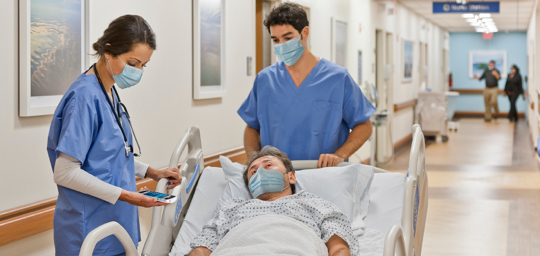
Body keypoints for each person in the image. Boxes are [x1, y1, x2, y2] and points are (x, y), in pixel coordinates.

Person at [46, 15, 182, 256]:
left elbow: (108, 154)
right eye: (133, 62)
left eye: (143, 65)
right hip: (88, 229)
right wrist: (127, 196)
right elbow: (65, 172)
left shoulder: (107, 91)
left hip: (114, 223)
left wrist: (151, 172)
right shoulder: (85, 97)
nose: (138, 71)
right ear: (109, 51)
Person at [237, 3, 375, 168]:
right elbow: (252, 128)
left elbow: (364, 125)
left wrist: (339, 155)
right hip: (278, 179)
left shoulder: (337, 78)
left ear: (305, 33)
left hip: (325, 175)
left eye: (288, 38)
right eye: (275, 40)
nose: (281, 45)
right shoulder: (265, 80)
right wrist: (254, 160)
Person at [188, 146, 359, 256]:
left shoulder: (314, 203)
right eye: (253, 172)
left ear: (291, 177)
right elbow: (202, 249)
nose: (260, 172)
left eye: (268, 165)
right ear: (250, 187)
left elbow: (339, 249)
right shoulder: (232, 208)